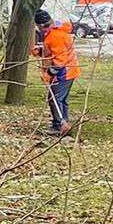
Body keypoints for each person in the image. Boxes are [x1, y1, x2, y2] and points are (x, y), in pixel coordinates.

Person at [31, 9, 80, 137]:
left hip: (64, 72)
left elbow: (59, 61)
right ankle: (64, 122)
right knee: (61, 99)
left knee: (54, 99)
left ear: (40, 26)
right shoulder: (55, 31)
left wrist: (49, 74)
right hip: (69, 70)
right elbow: (54, 51)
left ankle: (59, 125)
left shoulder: (55, 36)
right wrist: (41, 50)